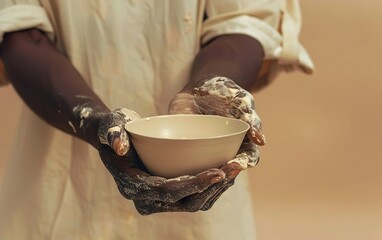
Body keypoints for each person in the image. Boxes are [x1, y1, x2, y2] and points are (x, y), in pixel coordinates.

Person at [0, 0, 314, 239]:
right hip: (60, 188)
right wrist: (92, 121)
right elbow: (16, 25)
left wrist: (211, 85)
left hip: (203, 215)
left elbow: (244, 19)